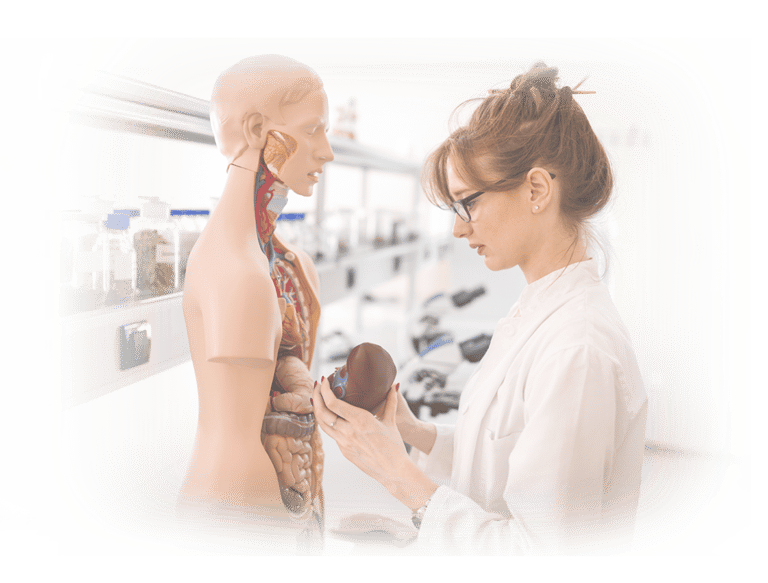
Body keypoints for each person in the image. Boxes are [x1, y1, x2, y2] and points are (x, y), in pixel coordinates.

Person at [312, 62, 648, 556]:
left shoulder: (578, 349)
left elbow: (538, 554)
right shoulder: (537, 311)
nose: (458, 229)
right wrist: (413, 433)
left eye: (468, 203)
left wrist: (396, 473)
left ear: (536, 190)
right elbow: (500, 465)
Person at [177, 55, 334, 556]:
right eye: (314, 130)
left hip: (284, 498)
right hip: (240, 511)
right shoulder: (237, 271)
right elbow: (241, 431)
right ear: (256, 129)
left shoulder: (286, 263)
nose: (327, 152)